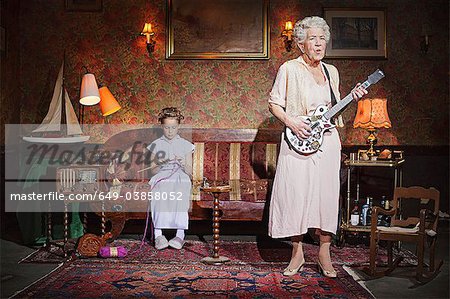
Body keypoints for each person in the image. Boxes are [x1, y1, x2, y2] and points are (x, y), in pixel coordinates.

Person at [268, 16, 367, 277]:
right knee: (296, 194)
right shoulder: (289, 68)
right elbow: (274, 103)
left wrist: (351, 97)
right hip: (297, 139)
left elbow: (332, 110)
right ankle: (297, 253)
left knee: (325, 195)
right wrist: (292, 122)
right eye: (313, 38)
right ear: (301, 44)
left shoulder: (331, 71)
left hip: (328, 142)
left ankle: (324, 254)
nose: (319, 43)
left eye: (322, 38)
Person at [147, 107, 194, 250]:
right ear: (162, 126)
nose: (170, 131)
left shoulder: (185, 144)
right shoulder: (156, 144)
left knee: (182, 186)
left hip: (180, 175)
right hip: (162, 175)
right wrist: (160, 163)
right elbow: (152, 170)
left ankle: (179, 235)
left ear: (178, 126)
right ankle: (158, 235)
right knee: (160, 188)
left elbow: (190, 172)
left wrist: (183, 162)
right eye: (167, 127)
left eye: (173, 127)